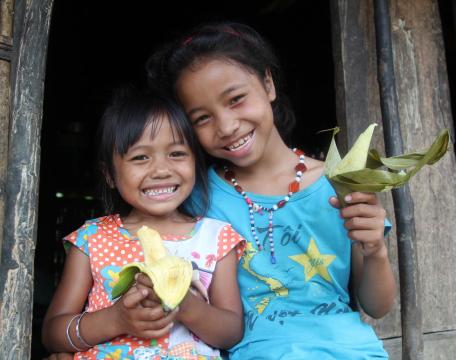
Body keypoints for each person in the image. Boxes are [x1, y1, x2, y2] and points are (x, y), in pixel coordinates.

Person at [141, 22, 396, 359]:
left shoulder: (338, 184)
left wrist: (375, 249)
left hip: (349, 350)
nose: (227, 126)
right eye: (202, 118)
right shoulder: (197, 198)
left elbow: (377, 306)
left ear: (268, 83)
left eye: (236, 100)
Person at [42, 88, 245, 360]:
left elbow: (232, 332)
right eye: (140, 157)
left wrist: (184, 305)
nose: (161, 170)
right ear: (110, 174)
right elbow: (52, 333)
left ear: (195, 162)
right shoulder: (91, 239)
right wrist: (116, 319)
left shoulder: (217, 238)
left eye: (176, 154)